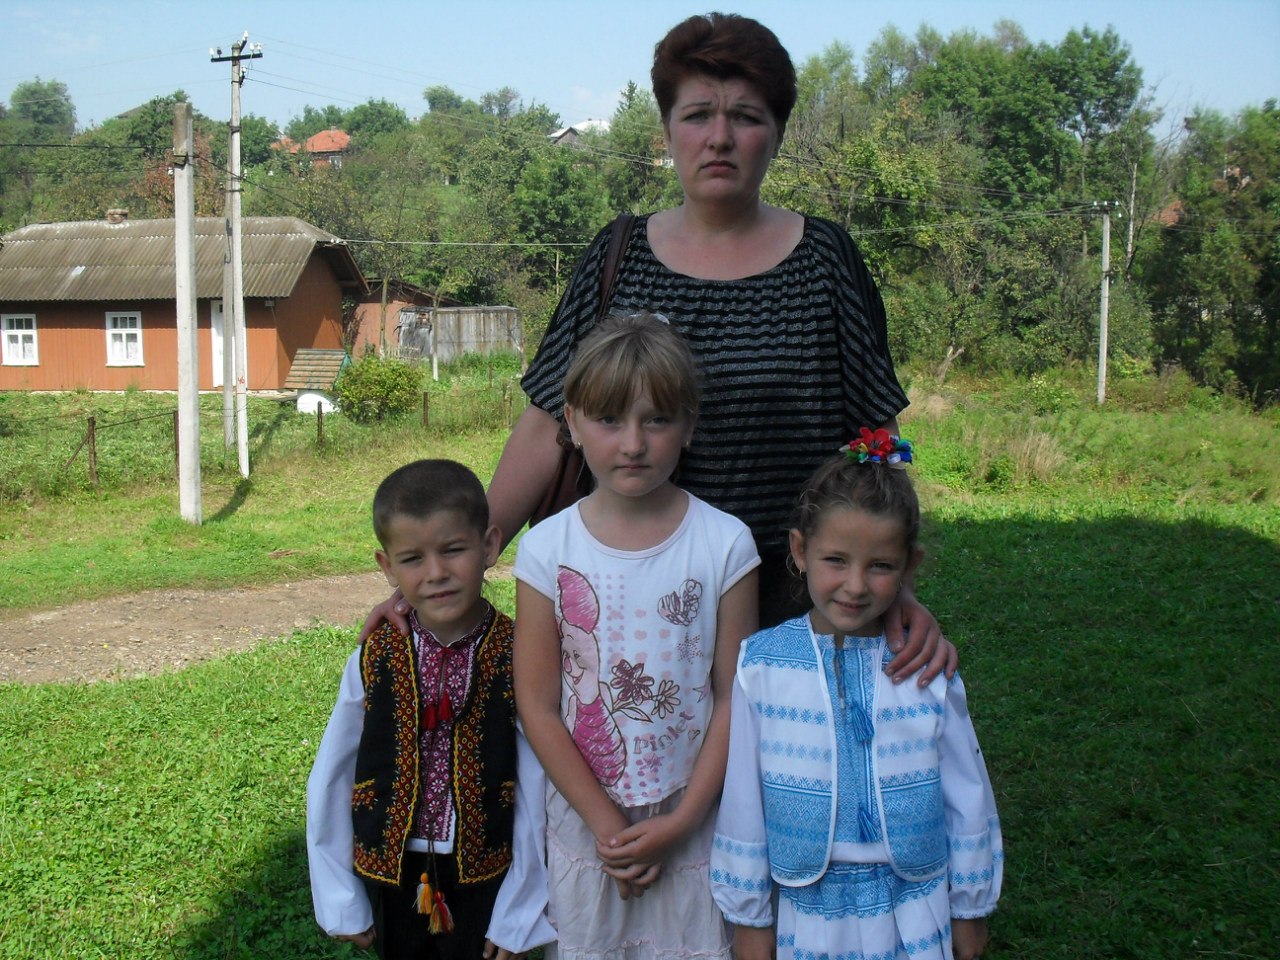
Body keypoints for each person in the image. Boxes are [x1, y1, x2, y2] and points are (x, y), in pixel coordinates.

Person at [358, 11, 953, 683]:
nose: (720, 137)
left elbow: (876, 439)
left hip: (802, 618)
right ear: (667, 132)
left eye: (746, 117)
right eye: (697, 115)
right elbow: (548, 423)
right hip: (636, 623)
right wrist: (457, 563)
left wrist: (893, 582)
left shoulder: (827, 261)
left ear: (778, 134)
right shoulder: (619, 257)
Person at [513, 313, 759, 959]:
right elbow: (537, 705)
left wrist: (681, 822)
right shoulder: (545, 550)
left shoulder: (726, 544)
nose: (633, 443)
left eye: (656, 420)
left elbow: (734, 698)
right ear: (571, 421)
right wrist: (607, 827)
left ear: (689, 424)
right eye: (609, 419)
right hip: (587, 823)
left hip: (696, 819)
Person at [710, 431, 1003, 960]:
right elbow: (743, 799)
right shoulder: (762, 666)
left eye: (880, 566)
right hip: (809, 915)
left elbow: (966, 793)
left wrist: (969, 907)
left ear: (909, 566)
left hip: (915, 909)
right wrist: (750, 917)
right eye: (836, 560)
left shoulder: (927, 668)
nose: (856, 585)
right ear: (800, 551)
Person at [306, 459, 553, 960]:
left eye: (454, 550)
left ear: (489, 546)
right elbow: (332, 772)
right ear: (387, 567)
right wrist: (339, 898)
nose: (437, 573)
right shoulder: (376, 657)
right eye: (413, 558)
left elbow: (538, 783)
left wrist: (519, 909)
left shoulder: (516, 653)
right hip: (394, 872)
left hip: (486, 871)